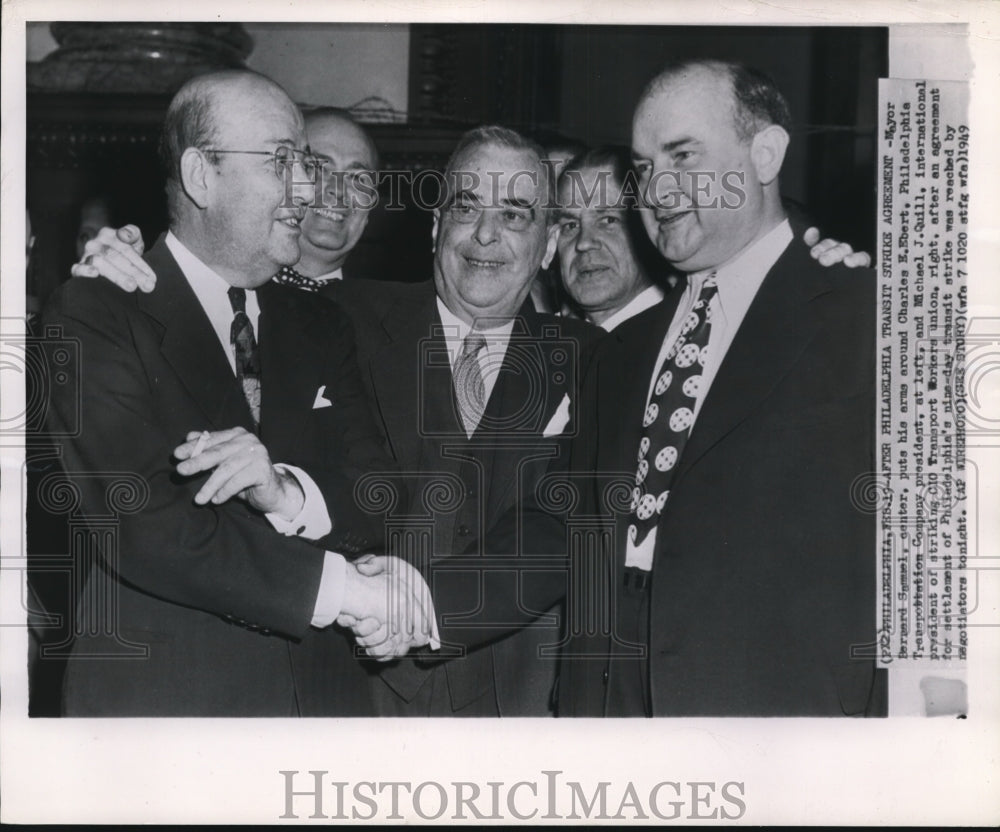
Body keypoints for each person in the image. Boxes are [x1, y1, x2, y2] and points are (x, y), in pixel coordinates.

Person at [41, 69, 432, 716]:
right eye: (282, 161)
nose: (307, 188)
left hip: (322, 712)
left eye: (301, 161)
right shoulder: (96, 312)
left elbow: (377, 494)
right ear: (201, 176)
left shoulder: (320, 323)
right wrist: (346, 591)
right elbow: (145, 525)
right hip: (170, 718)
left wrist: (286, 491)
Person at [552, 59, 885, 716]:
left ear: (764, 154)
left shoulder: (873, 319)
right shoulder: (622, 352)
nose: (657, 190)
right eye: (645, 170)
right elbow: (562, 529)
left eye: (683, 157)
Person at [548, 145, 873, 331]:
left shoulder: (701, 331)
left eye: (607, 220)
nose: (584, 242)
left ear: (649, 227)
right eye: (569, 226)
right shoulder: (540, 340)